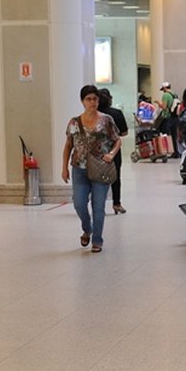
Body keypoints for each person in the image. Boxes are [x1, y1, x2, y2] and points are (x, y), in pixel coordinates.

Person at [61, 85, 122, 253]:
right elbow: (68, 146)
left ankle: (97, 240)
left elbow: (117, 140)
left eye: (95, 99)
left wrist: (111, 154)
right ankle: (87, 228)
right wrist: (64, 168)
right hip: (79, 169)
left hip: (100, 168)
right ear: (82, 101)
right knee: (79, 203)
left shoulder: (106, 120)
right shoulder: (74, 122)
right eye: (88, 99)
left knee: (98, 205)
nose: (92, 102)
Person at [97, 89, 130, 215]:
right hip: (114, 150)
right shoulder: (116, 113)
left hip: (97, 151)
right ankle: (117, 203)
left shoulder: (95, 114)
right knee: (116, 177)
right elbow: (124, 133)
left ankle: (99, 205)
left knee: (98, 177)